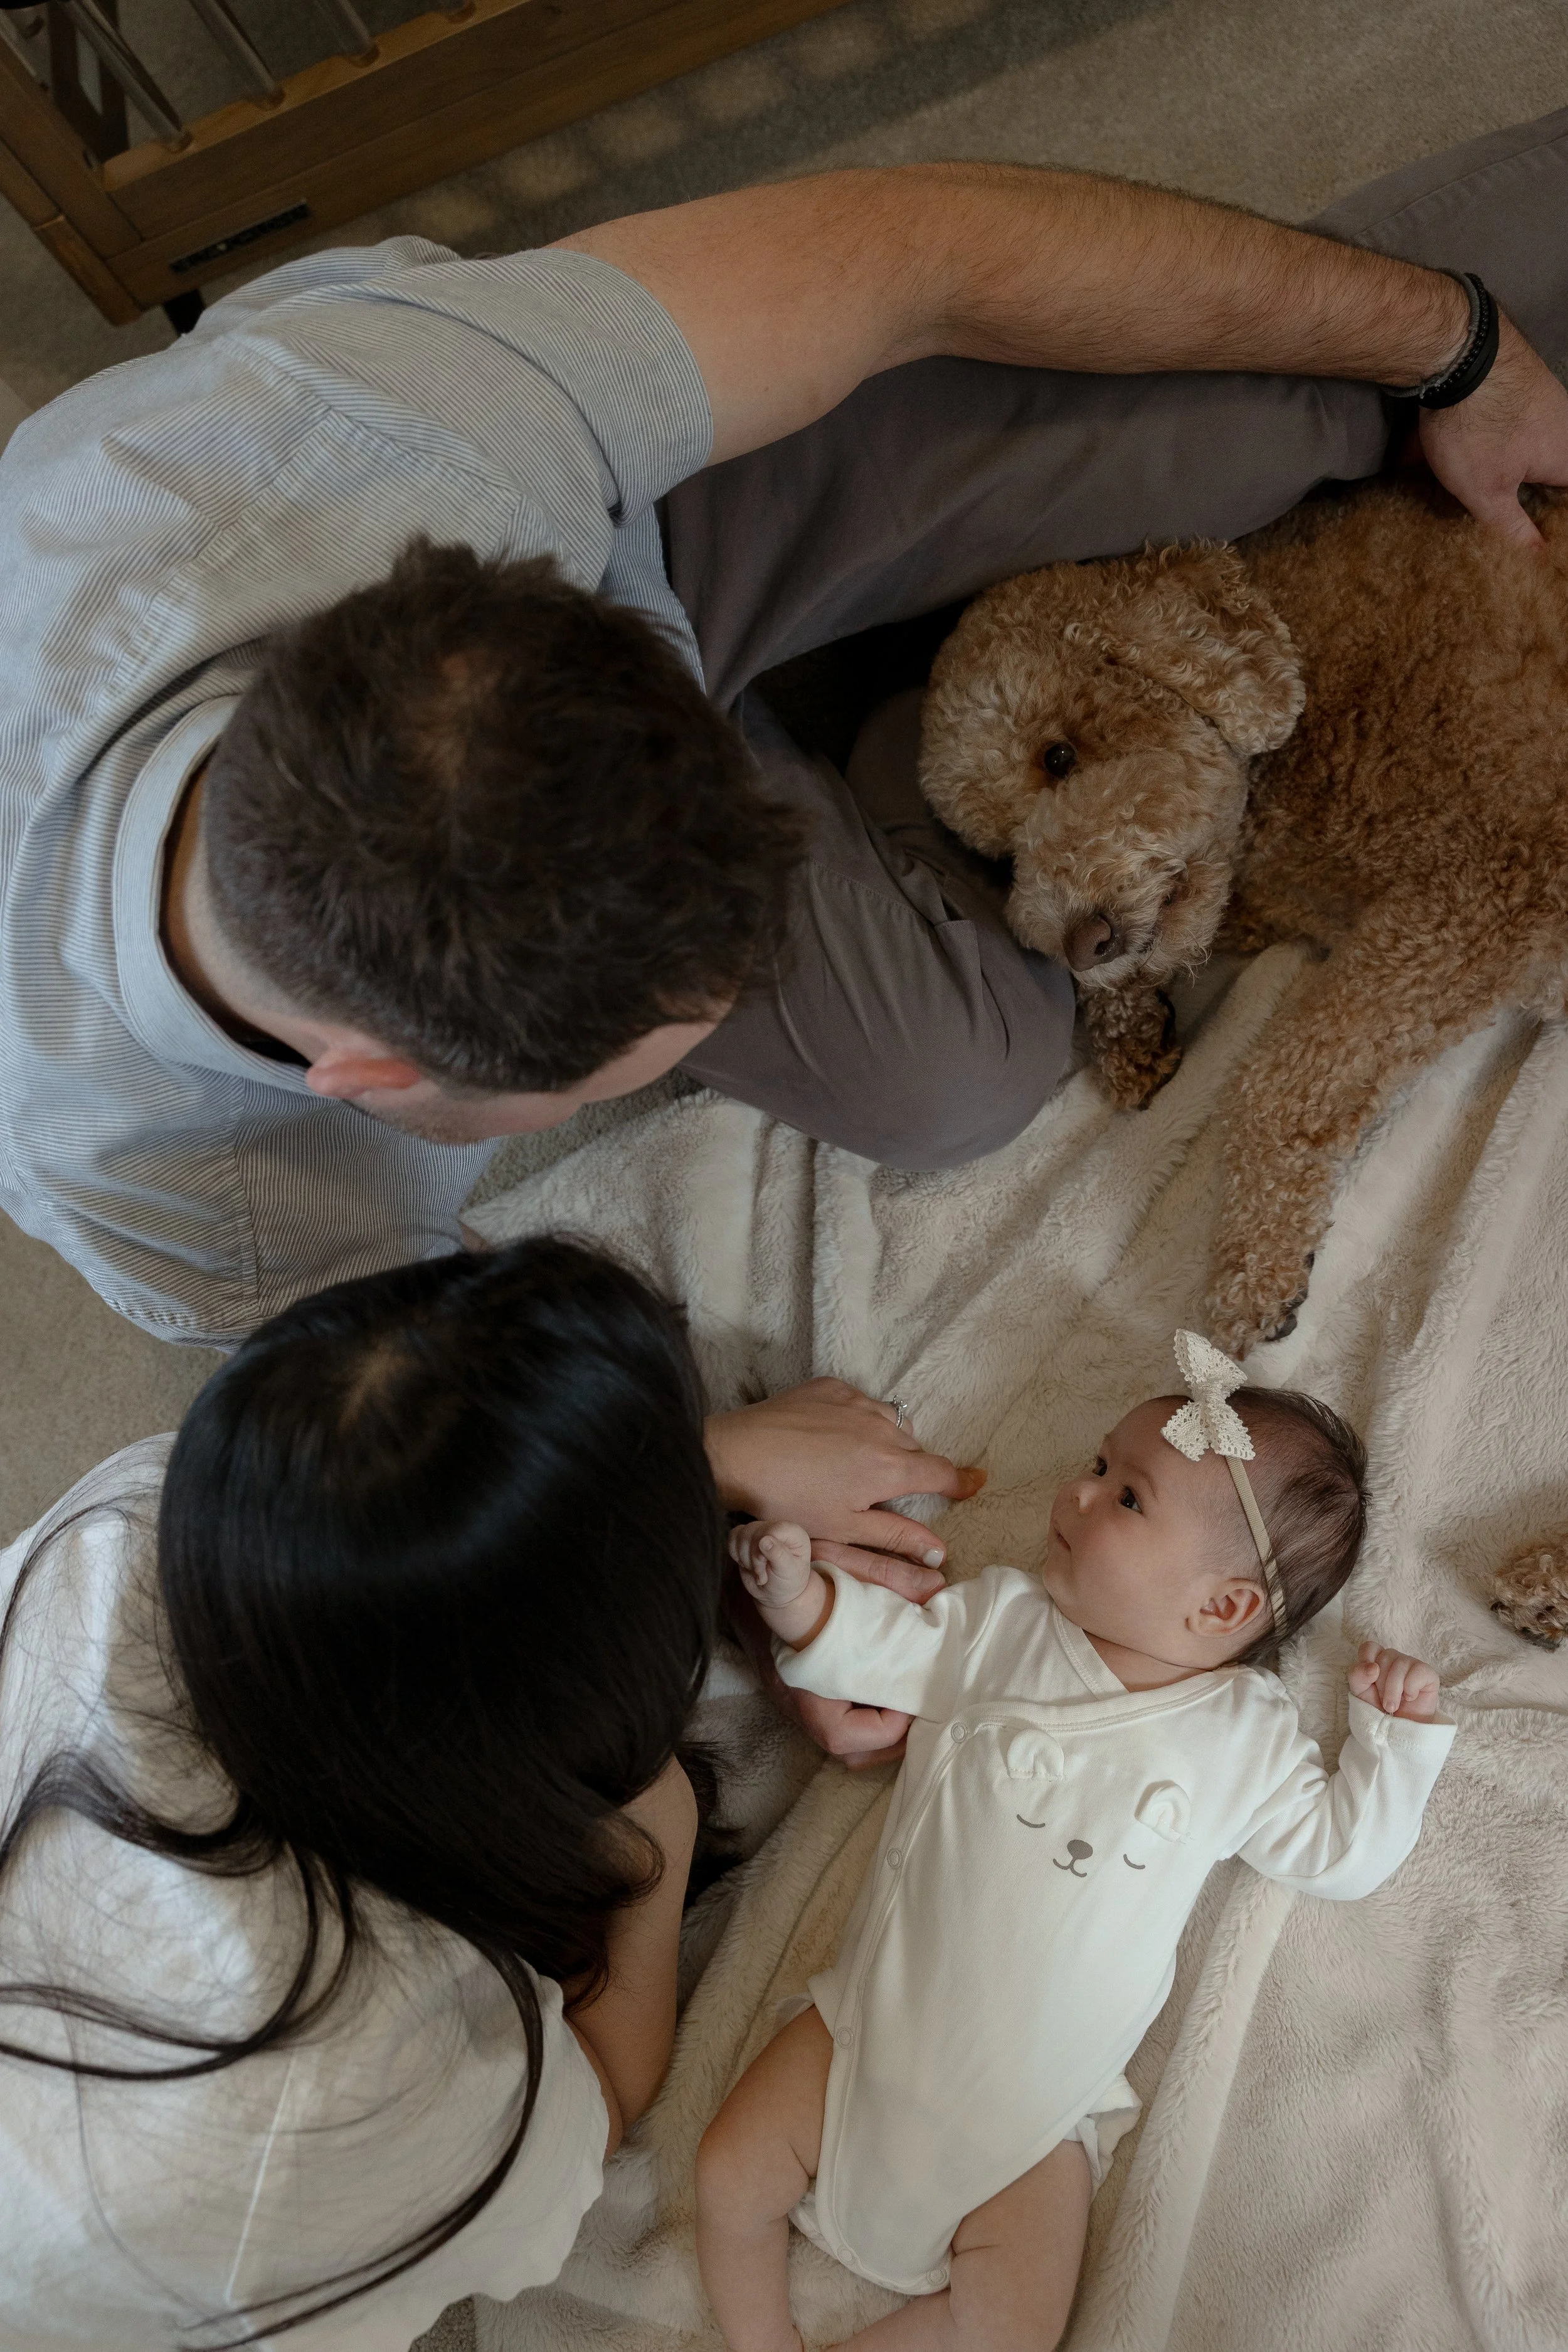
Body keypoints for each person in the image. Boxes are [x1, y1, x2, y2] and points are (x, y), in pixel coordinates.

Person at [3, 115, 1568, 1355]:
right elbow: (419, 1415)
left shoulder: (398, 432)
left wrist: (1459, 347)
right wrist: (717, 1458)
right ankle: (939, 669)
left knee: (1296, 404)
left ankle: (928, 622)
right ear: (369, 1077)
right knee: (953, 1081)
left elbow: (922, 249)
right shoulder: (192, 1197)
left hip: (627, 520)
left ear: (465, 594)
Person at [0, 1234, 954, 2349]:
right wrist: (664, 1816)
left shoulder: (144, 1514)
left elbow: (403, 1508)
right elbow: (601, 2081)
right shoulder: (340, 2099)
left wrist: (680, 1469)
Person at [694, 1335, 1455, 2352]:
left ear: (1224, 1604)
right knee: (727, 2172)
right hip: (865, 2034)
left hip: (1035, 2121)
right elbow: (888, 1649)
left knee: (1013, 2326)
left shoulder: (1244, 1736)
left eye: (1126, 1496)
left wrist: (1391, 1745)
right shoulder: (1005, 1623)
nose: (1080, 1492)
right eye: (1097, 1464)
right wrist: (799, 1599)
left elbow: (1342, 1852)